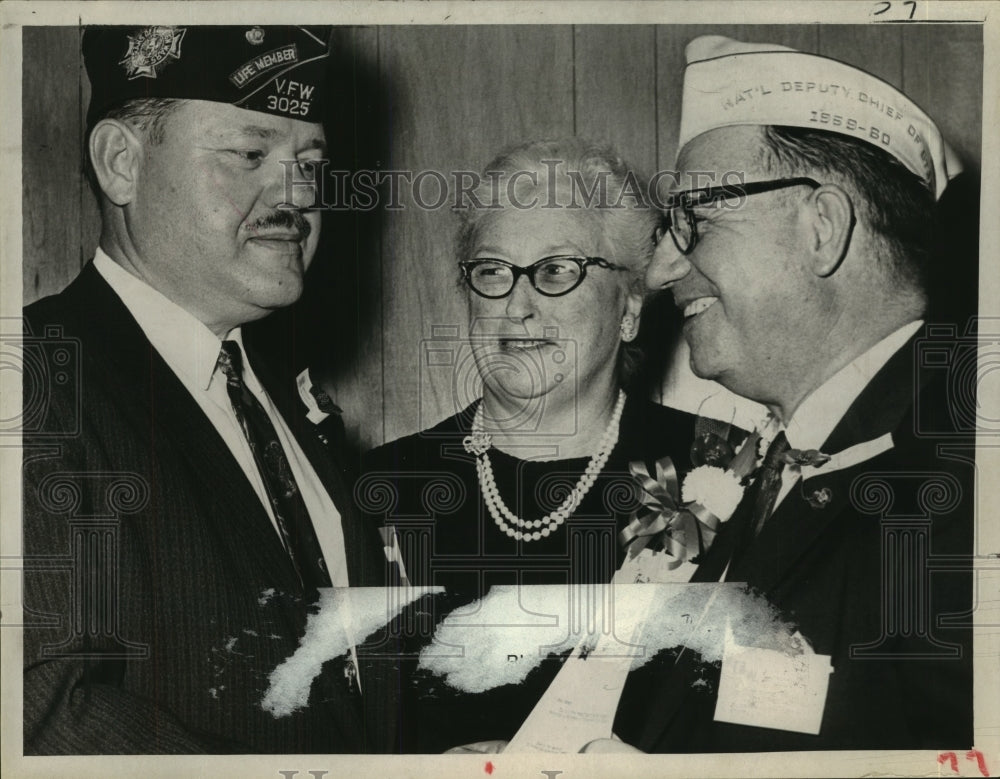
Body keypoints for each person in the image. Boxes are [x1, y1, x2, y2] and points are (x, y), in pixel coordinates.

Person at [21, 26, 394, 754]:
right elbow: (39, 714)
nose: (298, 196)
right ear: (121, 163)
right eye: (250, 155)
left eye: (310, 163)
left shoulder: (276, 400)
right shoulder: (34, 383)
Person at [612, 34, 975, 752]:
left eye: (696, 220)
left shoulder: (961, 489)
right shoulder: (777, 470)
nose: (659, 272)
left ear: (823, 230)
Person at [357, 138, 707, 752]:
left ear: (630, 304)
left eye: (556, 271)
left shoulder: (717, 473)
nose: (518, 307)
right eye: (493, 271)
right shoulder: (377, 490)